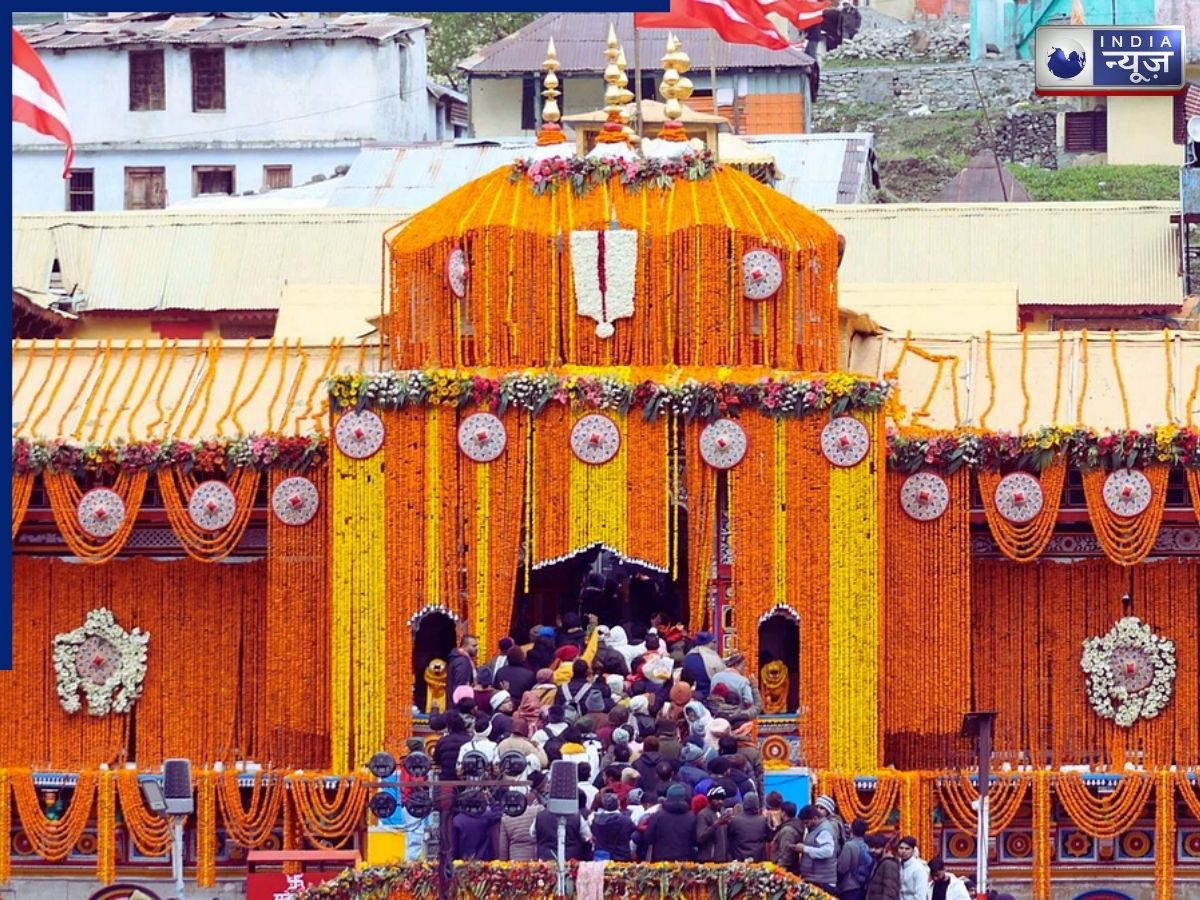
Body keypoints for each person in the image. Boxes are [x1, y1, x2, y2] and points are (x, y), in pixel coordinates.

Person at [635, 783, 697, 862]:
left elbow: (648, 838)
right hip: (684, 859)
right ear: (684, 798)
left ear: (668, 797)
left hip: (661, 860)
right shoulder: (691, 817)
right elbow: (695, 840)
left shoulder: (658, 816)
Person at [797, 803, 839, 895]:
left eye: (806, 823)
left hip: (823, 881)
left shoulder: (824, 830)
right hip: (815, 879)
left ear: (815, 818)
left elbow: (828, 852)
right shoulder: (814, 828)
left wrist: (805, 849)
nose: (805, 826)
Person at [451, 791, 500, 861]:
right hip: (484, 863)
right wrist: (491, 799)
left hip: (463, 863)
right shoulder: (486, 817)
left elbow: (454, 847)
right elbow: (499, 813)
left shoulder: (457, 820)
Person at [590, 790, 636, 861]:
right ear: (618, 803)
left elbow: (593, 834)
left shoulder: (595, 820)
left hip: (601, 857)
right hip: (621, 856)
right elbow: (632, 834)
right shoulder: (626, 820)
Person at [726, 793, 771, 862]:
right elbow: (769, 838)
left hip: (739, 859)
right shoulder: (763, 820)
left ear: (744, 804)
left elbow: (729, 837)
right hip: (758, 859)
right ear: (757, 804)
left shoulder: (735, 820)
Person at [837, 817, 875, 900]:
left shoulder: (849, 846)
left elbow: (842, 868)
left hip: (849, 887)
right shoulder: (866, 846)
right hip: (862, 886)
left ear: (851, 829)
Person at [497, 791, 541, 861]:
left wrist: (503, 863)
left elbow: (503, 847)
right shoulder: (537, 811)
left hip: (516, 860)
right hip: (535, 859)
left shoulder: (506, 818)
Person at [695, 786, 732, 863]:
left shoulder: (722, 812)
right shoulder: (703, 814)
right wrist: (716, 824)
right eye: (717, 799)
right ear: (710, 799)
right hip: (709, 860)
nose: (720, 801)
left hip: (722, 859)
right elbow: (700, 837)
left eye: (722, 799)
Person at [681, 632, 725, 697]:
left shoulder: (688, 656)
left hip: (691, 693)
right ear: (708, 643)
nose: (715, 644)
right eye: (713, 642)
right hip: (708, 694)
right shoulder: (712, 657)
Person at [770, 801, 804, 873]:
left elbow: (786, 853)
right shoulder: (791, 826)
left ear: (783, 813)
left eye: (780, 811)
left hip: (786, 871)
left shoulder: (787, 831)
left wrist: (779, 871)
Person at [865, 834, 902, 900]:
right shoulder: (878, 862)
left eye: (877, 848)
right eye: (871, 847)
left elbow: (890, 891)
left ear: (885, 848)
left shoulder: (889, 864)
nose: (873, 850)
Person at [446, 634, 479, 702]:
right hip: (460, 706)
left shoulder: (461, 659)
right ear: (464, 646)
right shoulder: (462, 662)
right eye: (474, 646)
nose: (477, 648)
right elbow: (461, 688)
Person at [897, 835, 930, 900]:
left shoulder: (918, 868)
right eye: (901, 848)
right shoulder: (898, 865)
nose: (903, 851)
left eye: (907, 849)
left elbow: (921, 895)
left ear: (913, 850)